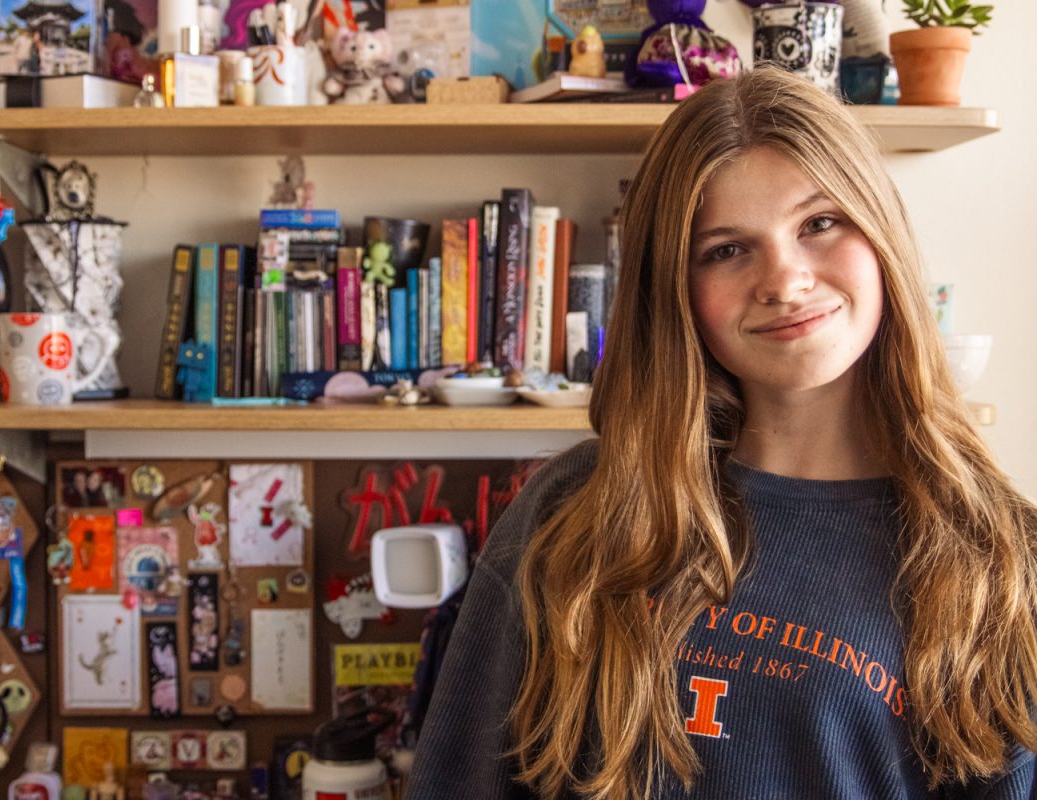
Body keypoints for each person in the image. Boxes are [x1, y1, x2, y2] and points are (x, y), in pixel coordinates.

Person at [405, 67, 1037, 799]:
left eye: (819, 223)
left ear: (880, 231)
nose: (785, 279)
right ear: (677, 290)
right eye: (726, 250)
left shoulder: (1004, 559)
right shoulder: (575, 507)